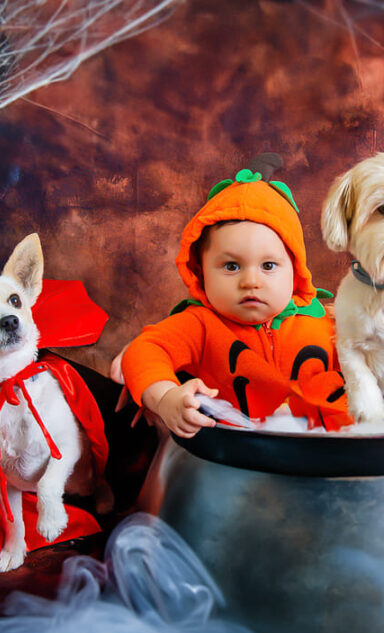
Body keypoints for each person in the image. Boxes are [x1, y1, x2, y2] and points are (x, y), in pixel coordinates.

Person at [118, 154, 351, 436]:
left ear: (296, 270)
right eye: (231, 266)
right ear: (201, 272)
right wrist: (166, 397)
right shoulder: (200, 325)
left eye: (268, 266)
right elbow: (145, 351)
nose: (250, 281)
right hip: (234, 454)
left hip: (323, 453)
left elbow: (372, 374)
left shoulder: (327, 325)